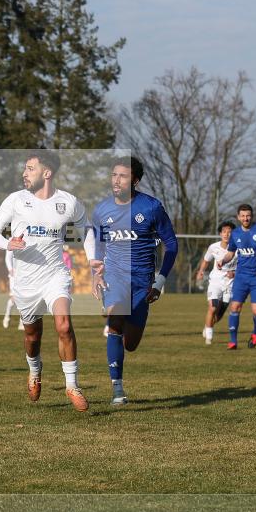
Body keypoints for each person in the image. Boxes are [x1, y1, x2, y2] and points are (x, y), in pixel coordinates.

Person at [0, 150, 94, 412]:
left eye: (30, 168)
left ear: (47, 173)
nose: (24, 173)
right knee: (32, 337)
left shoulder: (68, 202)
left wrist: (93, 261)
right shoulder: (15, 200)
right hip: (26, 282)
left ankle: (72, 385)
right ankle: (35, 370)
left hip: (55, 275)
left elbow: (87, 230)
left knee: (64, 326)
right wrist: (8, 243)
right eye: (25, 168)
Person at [88, 156, 178, 406]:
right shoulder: (102, 210)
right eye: (114, 175)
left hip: (142, 281)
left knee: (131, 344)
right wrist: (96, 273)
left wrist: (160, 281)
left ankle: (122, 327)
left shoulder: (151, 207)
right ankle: (117, 389)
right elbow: (98, 246)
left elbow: (171, 244)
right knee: (115, 320)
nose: (116, 180)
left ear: (135, 180)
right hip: (114, 276)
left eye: (123, 176)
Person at [216, 204, 256, 349]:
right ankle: (233, 342)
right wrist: (222, 261)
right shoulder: (235, 234)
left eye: (248, 215)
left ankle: (255, 332)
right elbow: (231, 253)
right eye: (243, 216)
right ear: (238, 217)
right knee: (235, 307)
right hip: (241, 276)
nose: (246, 218)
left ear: (252, 216)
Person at [195, 221, 238, 345]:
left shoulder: (239, 249)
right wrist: (201, 271)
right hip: (215, 282)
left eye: (229, 232)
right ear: (220, 234)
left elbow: (243, 266)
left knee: (218, 316)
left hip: (230, 284)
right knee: (213, 307)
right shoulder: (213, 247)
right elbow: (206, 260)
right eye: (224, 232)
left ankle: (207, 326)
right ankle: (209, 338)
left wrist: (234, 273)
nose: (227, 234)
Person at [1, 250, 24, 331]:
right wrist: (10, 269)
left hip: (25, 275)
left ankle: (22, 323)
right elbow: (8, 257)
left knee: (24, 299)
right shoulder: (12, 243)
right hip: (14, 275)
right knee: (13, 299)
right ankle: (7, 317)